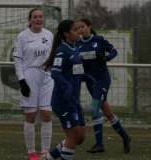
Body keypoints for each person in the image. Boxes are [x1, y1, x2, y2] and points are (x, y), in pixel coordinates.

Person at [40, 19, 97, 160]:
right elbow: (55, 73)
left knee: (81, 137)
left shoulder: (75, 47)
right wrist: (67, 87)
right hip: (63, 99)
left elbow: (73, 73)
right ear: (66, 34)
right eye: (75, 29)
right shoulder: (62, 50)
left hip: (73, 98)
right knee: (73, 136)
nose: (79, 31)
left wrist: (86, 77)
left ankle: (48, 158)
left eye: (79, 28)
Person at [76, 17, 131, 153]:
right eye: (78, 28)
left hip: (102, 79)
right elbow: (77, 64)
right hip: (91, 81)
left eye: (82, 26)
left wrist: (106, 58)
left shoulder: (99, 40)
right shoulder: (77, 44)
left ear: (89, 27)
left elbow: (114, 51)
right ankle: (125, 137)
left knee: (94, 109)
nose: (80, 29)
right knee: (107, 112)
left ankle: (99, 144)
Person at [12, 8, 54, 160]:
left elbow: (53, 57)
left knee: (47, 115)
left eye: (41, 17)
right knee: (30, 116)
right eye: (35, 17)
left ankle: (45, 152)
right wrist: (22, 81)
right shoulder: (23, 36)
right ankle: (31, 152)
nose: (38, 19)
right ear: (29, 20)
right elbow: (18, 59)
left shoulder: (49, 35)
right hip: (29, 77)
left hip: (47, 77)